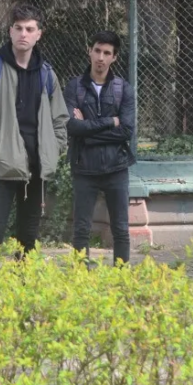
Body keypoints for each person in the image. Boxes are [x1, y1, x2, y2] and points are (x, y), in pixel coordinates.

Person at [0, 3, 69, 262]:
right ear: (10, 31)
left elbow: (60, 118)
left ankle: (23, 289)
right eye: (18, 28)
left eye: (30, 29)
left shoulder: (47, 75)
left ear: (38, 34)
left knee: (28, 237)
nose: (23, 34)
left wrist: (56, 148)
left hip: (36, 168)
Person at [64, 30, 136, 265]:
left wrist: (88, 127)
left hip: (116, 168)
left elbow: (126, 131)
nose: (101, 57)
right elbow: (72, 127)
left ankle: (121, 278)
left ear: (114, 57)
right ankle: (80, 278)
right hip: (84, 168)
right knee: (81, 229)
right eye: (97, 50)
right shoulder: (75, 87)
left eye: (107, 53)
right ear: (89, 51)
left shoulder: (122, 89)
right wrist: (108, 122)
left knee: (121, 229)